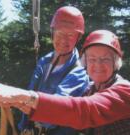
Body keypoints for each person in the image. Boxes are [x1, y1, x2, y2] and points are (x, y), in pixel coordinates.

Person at [0, 30, 130, 135]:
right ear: (85, 63)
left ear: (116, 63)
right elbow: (63, 108)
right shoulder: (90, 90)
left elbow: (82, 111)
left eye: (104, 59)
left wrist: (21, 95)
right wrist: (12, 101)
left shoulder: (125, 93)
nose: (97, 64)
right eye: (92, 59)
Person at [18, 6, 89, 135]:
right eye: (60, 33)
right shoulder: (44, 61)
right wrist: (23, 127)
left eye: (70, 35)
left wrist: (16, 99)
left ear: (78, 38)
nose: (63, 40)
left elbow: (56, 108)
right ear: (52, 32)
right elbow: (32, 90)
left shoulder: (79, 72)